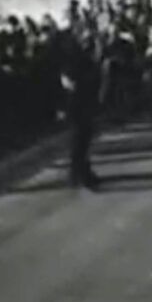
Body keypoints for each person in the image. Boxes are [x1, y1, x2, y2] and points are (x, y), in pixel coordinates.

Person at [61, 35, 101, 191]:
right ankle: (79, 174)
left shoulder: (77, 61)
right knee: (80, 141)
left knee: (81, 140)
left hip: (79, 104)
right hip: (79, 104)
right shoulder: (78, 61)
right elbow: (73, 83)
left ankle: (82, 172)